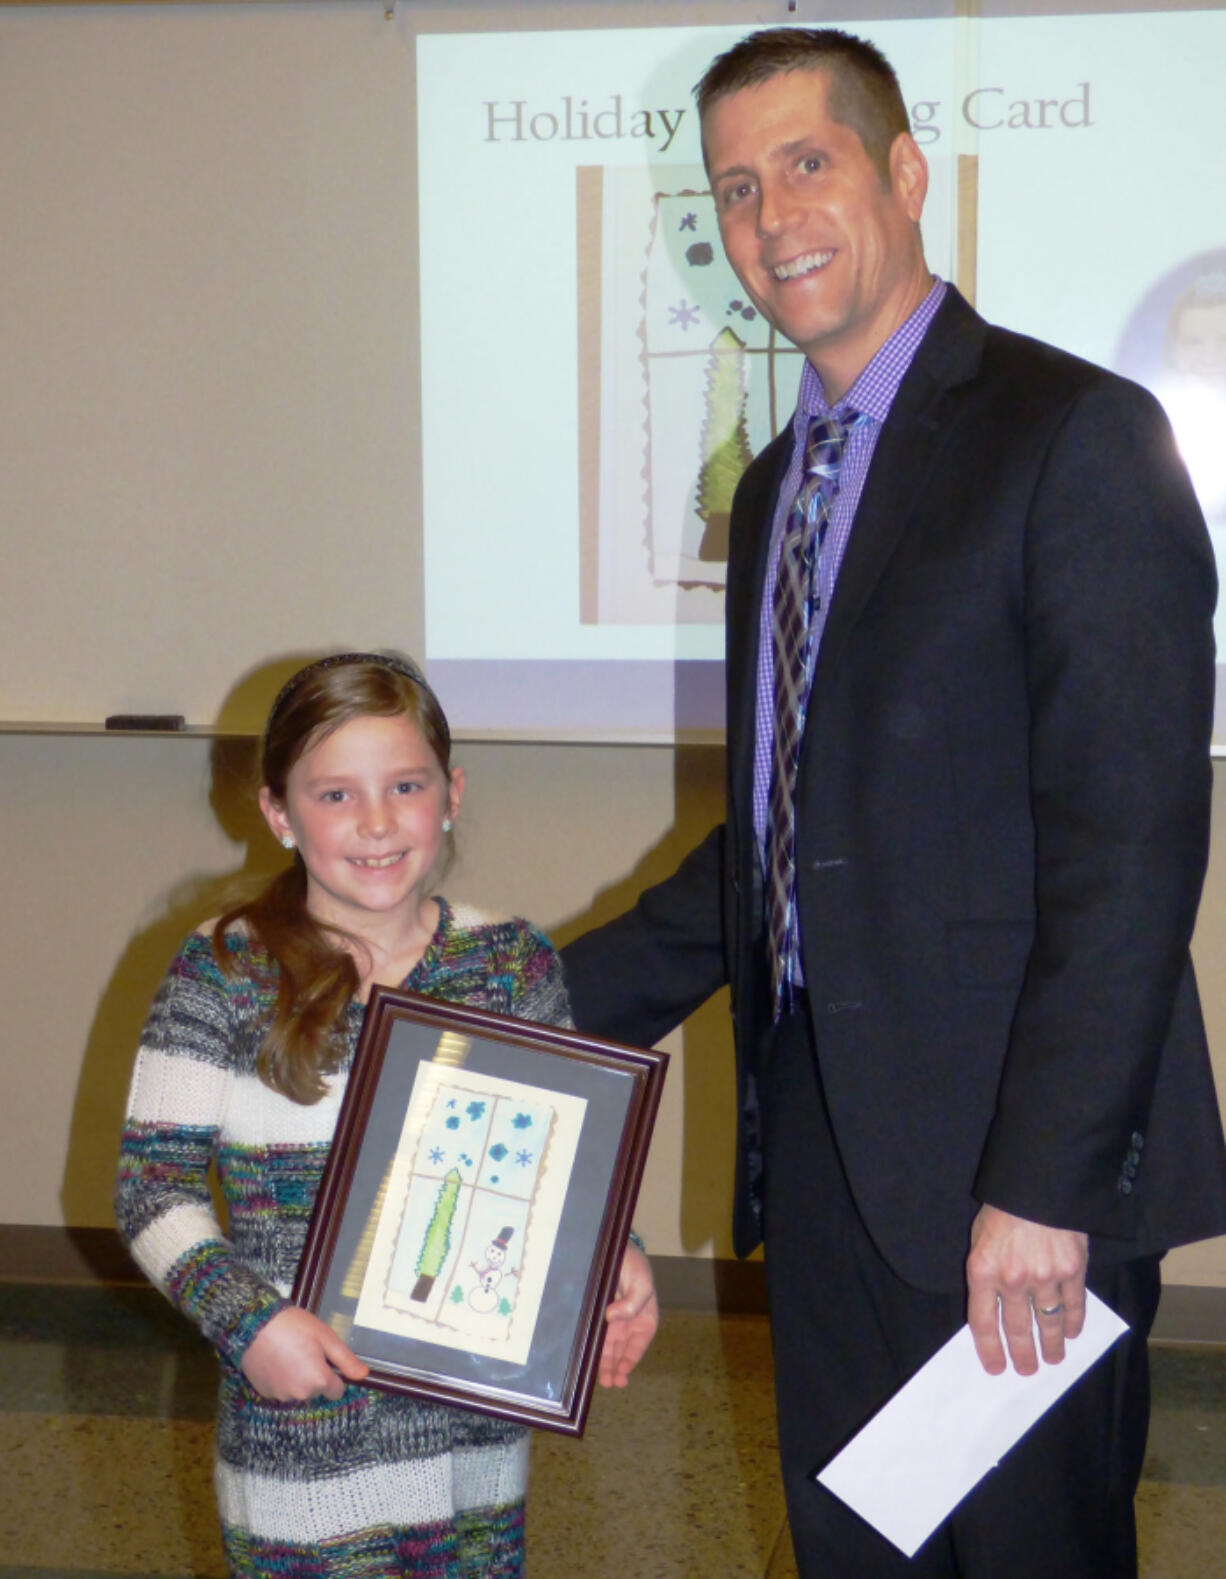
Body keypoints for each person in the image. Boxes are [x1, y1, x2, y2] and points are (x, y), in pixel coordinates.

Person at [560, 27, 1226, 1579]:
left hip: (1013, 1180)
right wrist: (516, 997)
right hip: (827, 1154)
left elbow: (1127, 849)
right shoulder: (778, 476)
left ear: (903, 171)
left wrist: (1042, 1185)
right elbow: (791, 837)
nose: (770, 214)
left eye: (808, 161)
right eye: (734, 186)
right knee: (854, 1546)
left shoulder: (1072, 437)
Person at [115, 651, 657, 1578]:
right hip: (305, 1425)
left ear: (451, 793)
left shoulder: (510, 961)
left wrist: (615, 1248)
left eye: (405, 785)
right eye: (334, 795)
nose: (375, 822)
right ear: (278, 813)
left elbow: (561, 1165)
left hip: (476, 1431)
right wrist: (252, 1326)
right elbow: (150, 1189)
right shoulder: (225, 969)